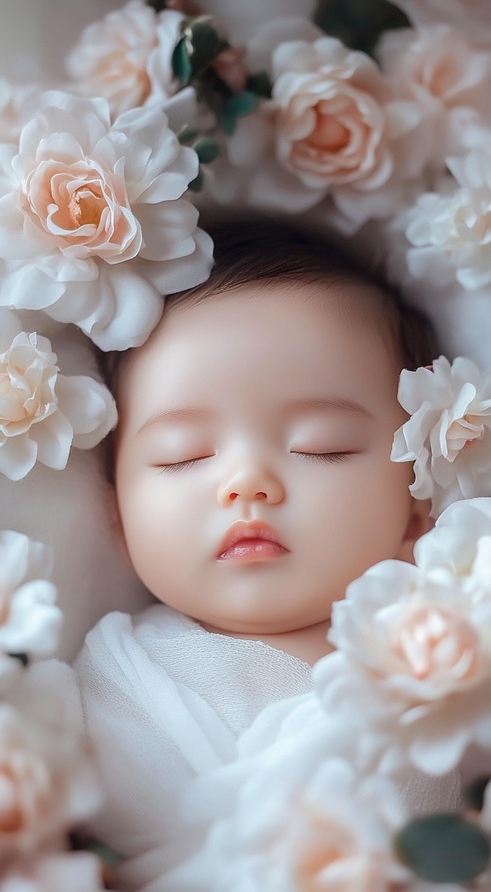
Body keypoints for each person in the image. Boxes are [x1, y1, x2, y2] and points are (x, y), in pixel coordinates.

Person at [75, 215, 440, 890]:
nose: (248, 482)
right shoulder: (122, 679)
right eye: (183, 456)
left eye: (321, 445)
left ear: (418, 503)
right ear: (117, 515)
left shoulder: (451, 645)